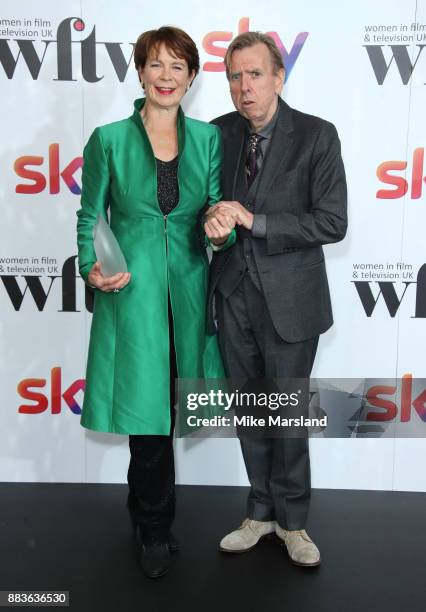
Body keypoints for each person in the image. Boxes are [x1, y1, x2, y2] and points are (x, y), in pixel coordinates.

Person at [76, 26, 231, 579]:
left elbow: (216, 213)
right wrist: (89, 267)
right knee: (146, 417)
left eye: (178, 66)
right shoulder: (109, 139)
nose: (167, 76)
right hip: (132, 294)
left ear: (192, 77)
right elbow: (90, 216)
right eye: (156, 65)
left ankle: (147, 512)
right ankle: (154, 527)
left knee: (171, 406)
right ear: (140, 72)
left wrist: (219, 231)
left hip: (188, 293)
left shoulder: (209, 139)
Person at [204, 32, 347, 567]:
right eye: (235, 77)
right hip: (232, 292)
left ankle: (295, 522)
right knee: (250, 413)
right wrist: (215, 227)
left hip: (291, 302)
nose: (245, 88)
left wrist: (254, 221)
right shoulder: (217, 134)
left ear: (279, 77)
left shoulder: (316, 136)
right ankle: (260, 513)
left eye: (255, 74)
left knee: (286, 416)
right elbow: (204, 209)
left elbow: (332, 221)